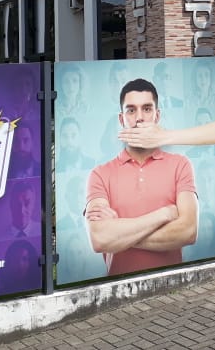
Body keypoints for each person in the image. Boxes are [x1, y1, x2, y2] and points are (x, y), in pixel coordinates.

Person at [85, 78, 198, 276]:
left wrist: (120, 235)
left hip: (174, 285)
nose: (139, 118)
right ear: (121, 119)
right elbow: (100, 239)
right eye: (131, 110)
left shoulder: (180, 165)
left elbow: (188, 231)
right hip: (119, 288)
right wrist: (165, 214)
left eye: (147, 109)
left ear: (157, 116)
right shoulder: (99, 174)